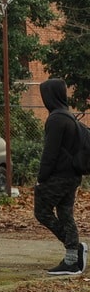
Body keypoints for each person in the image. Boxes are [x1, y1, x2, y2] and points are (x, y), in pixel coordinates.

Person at [34, 78, 86, 275]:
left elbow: (50, 153)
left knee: (42, 212)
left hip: (58, 177)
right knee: (65, 214)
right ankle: (72, 261)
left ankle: (75, 247)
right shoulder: (68, 116)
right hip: (72, 175)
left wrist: (41, 178)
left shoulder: (56, 119)